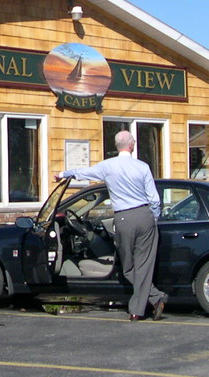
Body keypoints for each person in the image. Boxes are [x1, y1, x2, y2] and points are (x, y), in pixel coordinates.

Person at [56, 130, 166, 321]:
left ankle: (138, 309)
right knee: (144, 266)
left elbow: (83, 173)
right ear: (131, 146)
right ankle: (153, 299)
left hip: (123, 218)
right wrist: (153, 218)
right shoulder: (142, 167)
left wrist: (63, 174)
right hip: (144, 215)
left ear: (117, 146)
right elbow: (154, 199)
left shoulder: (108, 166)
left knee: (128, 267)